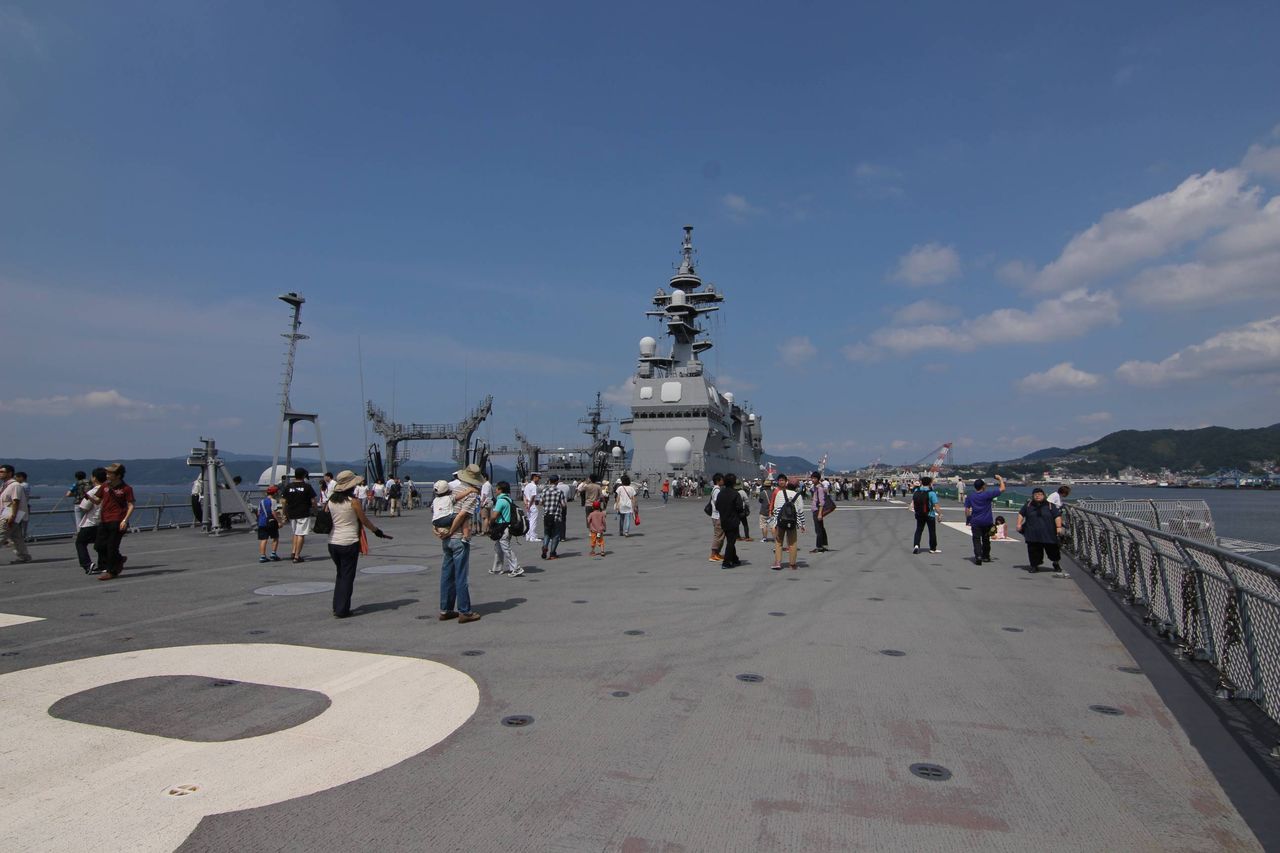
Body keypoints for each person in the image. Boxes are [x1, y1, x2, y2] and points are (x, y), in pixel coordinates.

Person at [325, 470, 389, 618]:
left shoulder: (331, 501)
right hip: (349, 542)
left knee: (340, 574)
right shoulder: (353, 502)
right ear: (351, 486)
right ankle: (342, 609)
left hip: (333, 542)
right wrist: (377, 531)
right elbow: (364, 520)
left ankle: (336, 605)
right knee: (347, 576)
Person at [434, 466, 483, 623]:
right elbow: (462, 515)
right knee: (461, 575)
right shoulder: (472, 494)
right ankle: (465, 611)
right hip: (459, 538)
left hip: (445, 539)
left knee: (447, 574)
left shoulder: (451, 490)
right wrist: (452, 531)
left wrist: (437, 529)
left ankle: (445, 609)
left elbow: (437, 512)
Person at [95, 463, 134, 580]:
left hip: (118, 519)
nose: (107, 475)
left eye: (110, 473)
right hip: (104, 519)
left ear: (118, 475)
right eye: (107, 473)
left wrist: (125, 520)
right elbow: (97, 500)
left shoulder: (126, 488)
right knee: (99, 546)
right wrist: (87, 496)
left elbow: (131, 505)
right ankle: (119, 559)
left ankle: (111, 571)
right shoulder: (105, 486)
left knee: (112, 546)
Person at [1018, 487, 1064, 573]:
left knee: (1053, 551)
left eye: (1040, 494)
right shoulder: (1028, 505)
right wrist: (1019, 524)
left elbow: (1057, 516)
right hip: (1032, 533)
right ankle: (1034, 566)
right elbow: (1021, 514)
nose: (1038, 496)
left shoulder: (1050, 505)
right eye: (1035, 494)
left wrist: (1058, 527)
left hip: (1048, 533)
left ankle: (1056, 563)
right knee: (1033, 551)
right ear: (1033, 496)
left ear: (1044, 495)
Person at [963, 475, 1006, 565]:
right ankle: (986, 556)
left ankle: (978, 556)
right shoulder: (987, 494)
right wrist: (1000, 479)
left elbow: (967, 510)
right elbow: (1002, 489)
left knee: (976, 540)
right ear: (983, 486)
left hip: (975, 521)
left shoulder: (970, 496)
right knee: (986, 539)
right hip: (987, 521)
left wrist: (968, 519)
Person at [768, 473, 806, 571]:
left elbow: (776, 510)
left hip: (781, 522)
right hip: (792, 522)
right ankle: (792, 564)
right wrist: (802, 524)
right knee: (792, 543)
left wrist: (774, 524)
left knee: (779, 542)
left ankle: (778, 562)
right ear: (797, 486)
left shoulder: (780, 493)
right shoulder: (798, 496)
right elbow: (800, 511)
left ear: (787, 483)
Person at [74, 468, 107, 573]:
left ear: (94, 478)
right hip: (104, 522)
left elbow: (84, 507)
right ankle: (103, 565)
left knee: (80, 543)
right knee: (101, 544)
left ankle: (87, 564)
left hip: (91, 522)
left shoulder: (93, 491)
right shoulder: (109, 490)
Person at [283, 468, 317, 563]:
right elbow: (313, 501)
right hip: (303, 513)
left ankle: (293, 551)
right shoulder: (307, 487)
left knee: (295, 533)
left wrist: (284, 513)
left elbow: (284, 501)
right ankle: (297, 556)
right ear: (304, 476)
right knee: (301, 534)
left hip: (292, 513)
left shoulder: (289, 486)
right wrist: (315, 511)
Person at [488, 481, 522, 576]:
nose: (495, 490)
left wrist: (490, 523)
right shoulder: (508, 499)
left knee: (506, 548)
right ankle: (497, 569)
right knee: (498, 548)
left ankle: (516, 568)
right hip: (507, 526)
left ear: (500, 490)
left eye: (497, 488)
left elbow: (494, 515)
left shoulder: (500, 501)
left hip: (502, 527)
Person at [0, 464, 33, 564]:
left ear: (10, 473)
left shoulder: (15, 485)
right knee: (16, 537)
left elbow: (16, 501)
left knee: (1, 534)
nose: (0, 474)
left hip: (9, 514)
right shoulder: (5, 485)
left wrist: (12, 516)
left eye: (2, 472)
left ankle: (24, 556)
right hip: (7, 513)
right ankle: (24, 556)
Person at [715, 473, 744, 568]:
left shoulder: (720, 493)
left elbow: (717, 506)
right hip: (733, 520)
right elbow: (739, 508)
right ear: (734, 483)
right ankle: (726, 562)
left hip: (724, 520)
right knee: (731, 542)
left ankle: (735, 559)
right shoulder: (735, 494)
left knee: (730, 540)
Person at [910, 476, 940, 555]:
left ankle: (916, 545)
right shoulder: (931, 493)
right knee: (932, 531)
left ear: (921, 482)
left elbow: (913, 501)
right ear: (930, 483)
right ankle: (932, 548)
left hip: (919, 513)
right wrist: (939, 514)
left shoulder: (916, 490)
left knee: (919, 530)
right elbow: (936, 505)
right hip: (930, 514)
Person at [540, 474, 567, 560]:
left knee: (547, 533)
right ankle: (552, 553)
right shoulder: (559, 491)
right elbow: (563, 504)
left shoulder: (545, 490)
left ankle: (545, 546)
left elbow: (541, 502)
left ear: (549, 481)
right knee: (556, 535)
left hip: (547, 515)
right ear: (557, 481)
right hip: (556, 516)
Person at [256, 485, 284, 563]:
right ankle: (273, 554)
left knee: (263, 539)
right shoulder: (273, 501)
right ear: (275, 493)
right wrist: (279, 521)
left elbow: (258, 512)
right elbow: (273, 512)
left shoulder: (261, 501)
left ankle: (262, 556)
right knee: (275, 537)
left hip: (262, 522)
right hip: (271, 522)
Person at [809, 471, 831, 553]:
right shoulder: (816, 487)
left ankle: (819, 547)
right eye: (812, 478)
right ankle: (824, 545)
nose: (813, 480)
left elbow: (822, 502)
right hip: (816, 510)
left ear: (818, 479)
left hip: (817, 510)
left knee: (818, 530)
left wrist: (819, 514)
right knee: (821, 528)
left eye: (814, 478)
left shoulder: (819, 488)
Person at [707, 473, 725, 563]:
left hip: (715, 515)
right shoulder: (717, 490)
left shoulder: (715, 489)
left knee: (720, 535)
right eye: (722, 479)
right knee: (718, 536)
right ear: (718, 481)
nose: (723, 481)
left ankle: (717, 553)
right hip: (717, 515)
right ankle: (713, 554)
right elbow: (717, 503)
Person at [522, 473, 542, 543]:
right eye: (538, 478)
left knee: (529, 521)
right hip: (532, 505)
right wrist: (530, 505)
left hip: (528, 504)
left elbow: (524, 496)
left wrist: (526, 504)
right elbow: (533, 496)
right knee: (533, 521)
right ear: (535, 477)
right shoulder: (534, 486)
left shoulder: (527, 485)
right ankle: (533, 537)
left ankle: (528, 536)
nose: (539, 480)